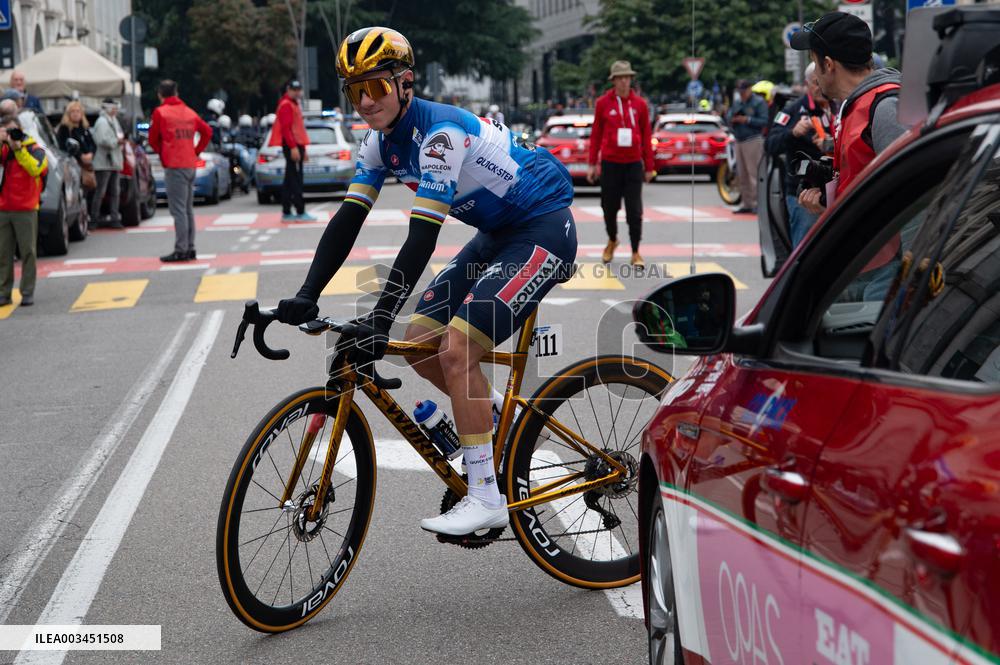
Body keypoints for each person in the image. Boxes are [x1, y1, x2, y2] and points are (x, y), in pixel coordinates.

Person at [275, 26, 576, 535]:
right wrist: (307, 294)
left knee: (457, 350)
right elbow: (348, 219)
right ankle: (492, 415)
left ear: (405, 82)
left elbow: (421, 237)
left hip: (543, 229)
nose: (365, 103)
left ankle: (486, 497)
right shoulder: (378, 142)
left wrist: (379, 317)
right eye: (354, 91)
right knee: (418, 343)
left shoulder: (441, 135)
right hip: (497, 235)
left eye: (375, 87)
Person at [791, 11, 907, 300]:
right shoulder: (855, 105)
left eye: (815, 62)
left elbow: (911, 195)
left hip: (886, 271)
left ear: (829, 65)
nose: (815, 75)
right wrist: (829, 200)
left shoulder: (885, 107)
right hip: (863, 261)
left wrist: (903, 281)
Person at [587, 60, 655, 267]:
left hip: (633, 164)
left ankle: (635, 251)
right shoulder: (603, 103)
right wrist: (592, 163)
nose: (625, 81)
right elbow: (596, 134)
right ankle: (612, 239)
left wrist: (649, 166)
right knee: (609, 207)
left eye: (627, 77)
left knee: (634, 210)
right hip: (610, 163)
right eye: (620, 78)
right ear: (614, 80)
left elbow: (646, 135)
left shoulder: (640, 104)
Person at [765, 62, 833, 247]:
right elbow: (769, 145)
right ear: (806, 84)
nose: (820, 86)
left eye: (822, 80)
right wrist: (792, 133)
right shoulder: (791, 111)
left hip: (837, 190)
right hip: (803, 193)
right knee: (806, 248)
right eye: (815, 82)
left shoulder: (838, 106)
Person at [148, 79, 212, 262]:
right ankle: (190, 247)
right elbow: (207, 131)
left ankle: (181, 249)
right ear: (176, 93)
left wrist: (163, 152)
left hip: (174, 165)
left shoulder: (161, 112)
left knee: (178, 210)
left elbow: (153, 139)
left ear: (160, 95)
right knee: (187, 209)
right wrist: (196, 151)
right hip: (190, 164)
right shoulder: (189, 112)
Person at [0, 115, 48, 307]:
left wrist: (18, 149)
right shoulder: (3, 149)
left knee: (28, 252)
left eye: (14, 130)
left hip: (26, 208)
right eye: (7, 131)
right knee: (3, 253)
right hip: (3, 208)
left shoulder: (35, 149)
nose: (11, 135)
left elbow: (35, 169)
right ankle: (3, 293)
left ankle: (27, 291)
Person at [269, 79, 315, 222]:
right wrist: (293, 147)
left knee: (290, 179)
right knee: (295, 180)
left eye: (298, 90)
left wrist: (303, 149)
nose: (296, 92)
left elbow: (298, 129)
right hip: (291, 145)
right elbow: (286, 129)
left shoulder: (293, 104)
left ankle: (287, 211)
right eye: (294, 90)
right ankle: (300, 211)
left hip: (296, 145)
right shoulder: (286, 105)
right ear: (288, 90)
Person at [725, 79, 768, 214]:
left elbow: (765, 121)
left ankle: (757, 204)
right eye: (740, 91)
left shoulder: (758, 102)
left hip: (753, 140)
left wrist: (747, 120)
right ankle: (746, 203)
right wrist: (732, 119)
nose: (742, 94)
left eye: (744, 91)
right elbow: (728, 117)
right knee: (742, 174)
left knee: (754, 174)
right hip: (739, 140)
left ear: (750, 89)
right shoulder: (737, 102)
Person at [90, 99, 125, 229]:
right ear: (107, 108)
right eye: (113, 108)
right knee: (101, 192)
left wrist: (118, 140)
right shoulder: (102, 122)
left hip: (113, 161)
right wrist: (117, 141)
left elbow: (118, 135)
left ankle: (114, 218)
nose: (115, 110)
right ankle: (94, 219)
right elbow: (102, 140)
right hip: (103, 162)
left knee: (115, 191)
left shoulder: (113, 120)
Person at [57, 100, 98, 202]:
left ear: (82, 113)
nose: (75, 114)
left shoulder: (84, 127)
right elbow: (64, 146)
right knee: (78, 194)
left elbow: (93, 144)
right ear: (68, 114)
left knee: (90, 191)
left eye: (78, 111)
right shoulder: (64, 129)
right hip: (73, 166)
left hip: (87, 166)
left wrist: (91, 154)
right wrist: (80, 156)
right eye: (73, 111)